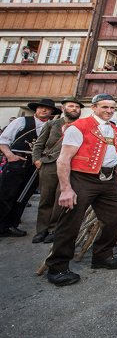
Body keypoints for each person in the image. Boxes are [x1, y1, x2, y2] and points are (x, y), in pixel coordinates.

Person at [46, 94, 117, 286]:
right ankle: (57, 267)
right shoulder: (79, 127)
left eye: (112, 108)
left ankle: (102, 256)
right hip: (83, 178)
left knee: (115, 217)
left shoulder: (114, 129)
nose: (109, 111)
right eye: (104, 107)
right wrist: (66, 189)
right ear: (94, 107)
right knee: (70, 222)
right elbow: (64, 159)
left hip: (108, 179)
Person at [0, 98, 60, 237]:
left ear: (51, 111)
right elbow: (3, 140)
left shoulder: (52, 126)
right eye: (41, 108)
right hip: (17, 161)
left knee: (23, 196)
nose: (44, 110)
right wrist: (10, 156)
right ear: (36, 109)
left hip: (36, 165)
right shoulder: (21, 121)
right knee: (5, 193)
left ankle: (11, 225)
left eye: (47, 109)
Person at [31, 97, 83, 244]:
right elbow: (39, 144)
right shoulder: (51, 124)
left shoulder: (81, 126)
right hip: (49, 164)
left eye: (77, 107)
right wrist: (37, 160)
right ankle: (41, 230)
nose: (74, 109)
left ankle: (54, 229)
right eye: (71, 106)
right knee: (46, 198)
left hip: (69, 165)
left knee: (61, 198)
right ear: (63, 108)